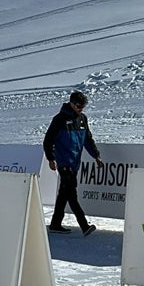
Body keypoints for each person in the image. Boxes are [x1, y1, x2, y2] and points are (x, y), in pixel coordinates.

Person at [43, 90, 103, 235]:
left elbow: (87, 139)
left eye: (83, 106)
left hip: (75, 162)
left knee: (64, 194)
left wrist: (96, 155)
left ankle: (55, 224)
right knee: (71, 193)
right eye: (78, 105)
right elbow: (48, 140)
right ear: (71, 103)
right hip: (64, 162)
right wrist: (51, 159)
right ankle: (84, 225)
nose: (81, 108)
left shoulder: (82, 119)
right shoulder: (59, 119)